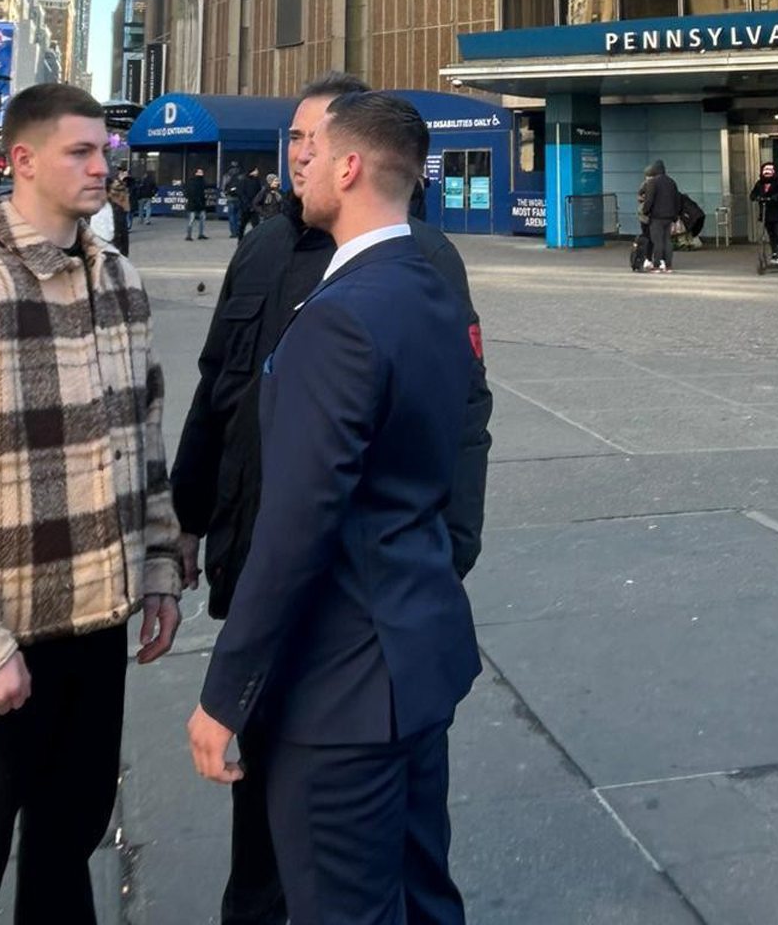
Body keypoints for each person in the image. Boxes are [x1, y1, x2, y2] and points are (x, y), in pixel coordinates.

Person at [171, 72, 491, 925]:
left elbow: (302, 516)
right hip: (416, 651)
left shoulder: (343, 314)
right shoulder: (420, 290)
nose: (296, 163)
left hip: (340, 676)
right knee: (424, 891)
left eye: (312, 149)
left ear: (350, 167)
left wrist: (225, 691)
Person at [0, 81, 183, 925]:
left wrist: (160, 568)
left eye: (106, 151)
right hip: (3, 630)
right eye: (80, 152)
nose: (103, 165)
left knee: (69, 841)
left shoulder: (118, 280)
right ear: (21, 161)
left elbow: (144, 438)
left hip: (99, 623)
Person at [638, 159, 681, 274]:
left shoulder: (653, 182)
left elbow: (649, 200)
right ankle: (668, 266)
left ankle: (656, 266)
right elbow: (677, 200)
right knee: (667, 241)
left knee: (657, 241)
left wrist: (646, 212)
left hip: (656, 217)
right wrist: (675, 216)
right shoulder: (672, 182)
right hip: (669, 217)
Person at [750, 162, 778, 263]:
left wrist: (774, 197)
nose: (767, 173)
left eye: (770, 171)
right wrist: (757, 197)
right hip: (766, 213)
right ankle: (774, 253)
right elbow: (753, 194)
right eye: (765, 171)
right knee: (771, 235)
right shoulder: (760, 183)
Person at [235, 165, 265, 235]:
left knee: (256, 224)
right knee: (242, 224)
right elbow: (241, 194)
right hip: (245, 207)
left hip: (254, 207)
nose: (257, 172)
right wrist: (247, 204)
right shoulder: (244, 180)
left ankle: (256, 238)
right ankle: (240, 238)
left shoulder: (257, 180)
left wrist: (257, 203)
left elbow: (259, 193)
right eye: (255, 170)